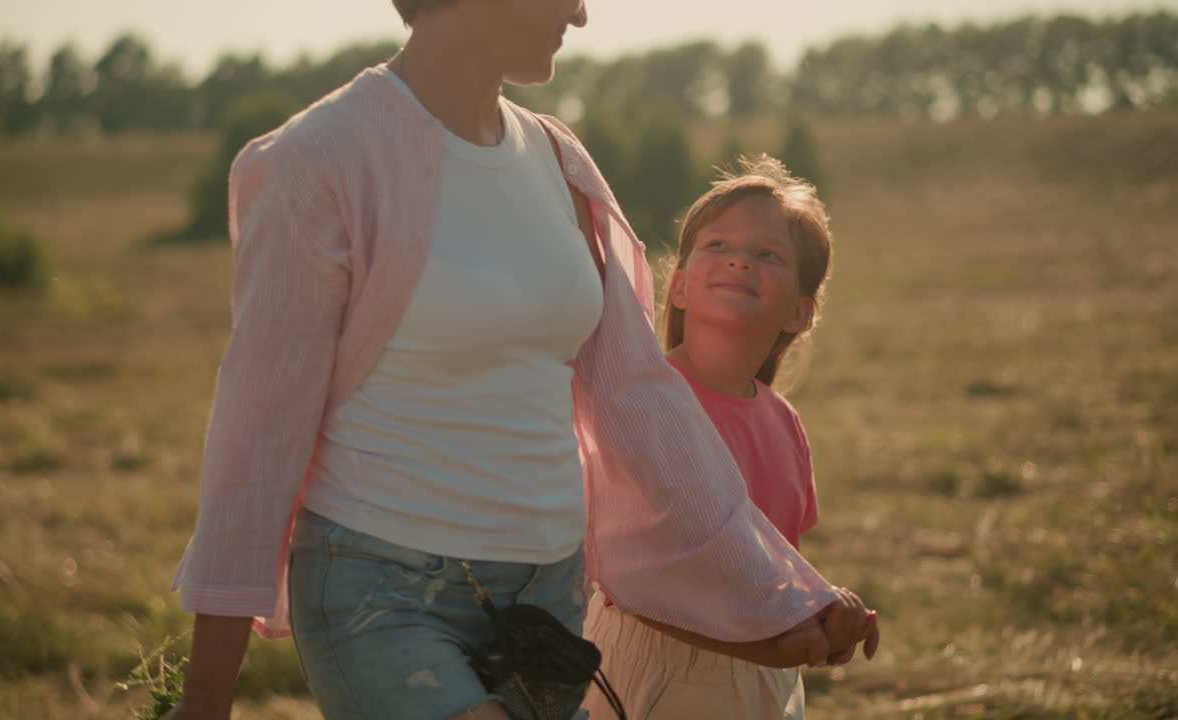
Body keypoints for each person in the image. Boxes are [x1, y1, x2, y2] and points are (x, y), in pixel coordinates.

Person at [164, 3, 874, 719]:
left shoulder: (559, 162)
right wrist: (206, 701)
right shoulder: (323, 158)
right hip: (384, 593)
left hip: (548, 607)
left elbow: (643, 407)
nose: (582, 12)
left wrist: (783, 602)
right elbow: (258, 439)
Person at [582, 155, 879, 720]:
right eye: (717, 245)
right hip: (651, 666)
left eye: (768, 254)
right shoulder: (643, 405)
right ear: (680, 286)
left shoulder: (784, 425)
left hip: (762, 679)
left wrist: (828, 612)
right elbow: (638, 580)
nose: (739, 259)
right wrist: (764, 641)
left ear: (799, 312)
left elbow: (769, 568)